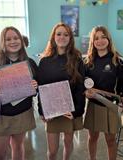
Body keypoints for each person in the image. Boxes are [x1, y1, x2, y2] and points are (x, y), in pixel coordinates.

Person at [37, 22, 85, 160]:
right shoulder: (45, 61)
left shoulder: (77, 60)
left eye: (66, 34)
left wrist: (76, 111)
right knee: (52, 150)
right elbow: (41, 88)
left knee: (68, 144)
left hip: (69, 110)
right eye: (59, 34)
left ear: (70, 38)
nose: (62, 37)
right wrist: (42, 111)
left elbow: (80, 88)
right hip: (52, 112)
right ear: (53, 37)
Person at [83, 26, 123, 160]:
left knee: (110, 140)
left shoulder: (118, 60)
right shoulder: (88, 62)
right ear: (92, 42)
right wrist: (85, 92)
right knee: (92, 137)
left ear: (108, 39)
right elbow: (82, 82)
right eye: (96, 38)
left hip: (111, 106)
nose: (100, 41)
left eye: (103, 37)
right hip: (93, 106)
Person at [0, 26, 38, 160]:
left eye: (16, 38)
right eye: (8, 39)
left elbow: (38, 87)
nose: (13, 42)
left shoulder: (30, 63)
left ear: (21, 40)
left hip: (23, 112)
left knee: (18, 146)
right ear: (3, 42)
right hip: (1, 115)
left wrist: (34, 86)